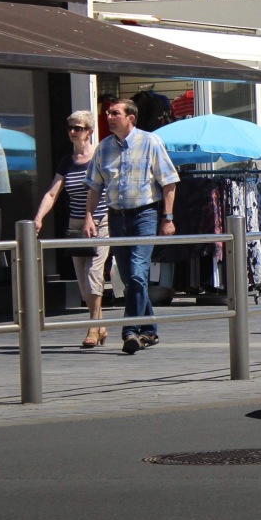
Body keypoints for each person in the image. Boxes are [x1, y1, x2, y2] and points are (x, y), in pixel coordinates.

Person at [84, 98, 179, 356]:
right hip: (117, 216)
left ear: (131, 118)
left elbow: (169, 182)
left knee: (138, 274)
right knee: (128, 278)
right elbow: (94, 186)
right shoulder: (103, 148)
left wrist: (167, 218)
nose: (109, 117)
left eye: (115, 113)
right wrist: (89, 217)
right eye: (108, 113)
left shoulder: (150, 142)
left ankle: (130, 331)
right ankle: (150, 329)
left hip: (144, 214)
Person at [34, 111, 109, 349]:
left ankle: (93, 328)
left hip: (100, 222)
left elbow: (98, 190)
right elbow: (52, 192)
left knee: (93, 275)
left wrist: (91, 217)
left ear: (89, 131)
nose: (73, 132)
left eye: (78, 128)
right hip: (76, 224)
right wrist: (38, 218)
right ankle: (101, 324)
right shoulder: (67, 161)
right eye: (70, 128)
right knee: (82, 279)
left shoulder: (99, 157)